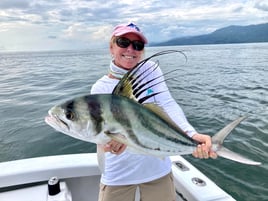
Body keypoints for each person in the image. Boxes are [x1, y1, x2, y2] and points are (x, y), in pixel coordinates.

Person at [90, 22, 217, 201]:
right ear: (111, 47)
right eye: (123, 42)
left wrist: (190, 134)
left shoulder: (150, 70)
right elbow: (98, 132)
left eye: (137, 45)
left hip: (158, 170)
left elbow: (167, 104)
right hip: (118, 174)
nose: (131, 49)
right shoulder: (100, 88)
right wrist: (108, 143)